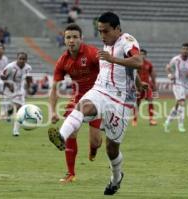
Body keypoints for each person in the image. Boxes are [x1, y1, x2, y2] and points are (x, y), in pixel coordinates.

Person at [48, 12, 142, 195]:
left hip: (120, 101)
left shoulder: (127, 41)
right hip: (100, 90)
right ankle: (61, 136)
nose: (102, 36)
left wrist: (113, 59)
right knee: (82, 106)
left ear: (117, 29)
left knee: (111, 148)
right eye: (99, 32)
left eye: (105, 31)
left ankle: (116, 178)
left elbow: (138, 62)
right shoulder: (105, 44)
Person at [49, 23, 102, 183]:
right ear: (64, 40)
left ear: (81, 39)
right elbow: (54, 89)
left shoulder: (92, 53)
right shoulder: (62, 61)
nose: (71, 40)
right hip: (78, 97)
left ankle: (93, 149)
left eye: (75, 37)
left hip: (98, 98)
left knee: (96, 142)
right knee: (71, 132)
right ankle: (70, 173)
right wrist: (52, 111)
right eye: (68, 37)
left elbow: (108, 70)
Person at [163, 43, 188, 133]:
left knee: (178, 104)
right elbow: (167, 67)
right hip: (177, 83)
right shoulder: (176, 59)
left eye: (186, 49)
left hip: (187, 85)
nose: (184, 51)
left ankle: (167, 122)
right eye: (183, 49)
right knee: (182, 103)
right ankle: (181, 125)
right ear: (181, 50)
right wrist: (170, 75)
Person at [0, 52, 33, 136]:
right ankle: (9, 112)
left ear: (26, 60)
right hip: (9, 89)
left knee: (20, 109)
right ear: (17, 59)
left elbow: (29, 78)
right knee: (11, 106)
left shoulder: (28, 68)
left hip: (19, 90)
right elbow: (2, 76)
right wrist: (8, 84)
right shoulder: (10, 66)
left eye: (24, 59)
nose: (22, 60)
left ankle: (16, 130)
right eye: (20, 58)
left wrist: (29, 88)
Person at [132, 49, 157, 126]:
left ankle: (151, 119)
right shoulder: (136, 64)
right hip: (139, 87)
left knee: (150, 100)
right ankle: (134, 120)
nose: (142, 55)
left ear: (145, 55)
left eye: (143, 54)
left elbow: (152, 74)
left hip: (147, 86)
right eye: (141, 54)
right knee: (137, 103)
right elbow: (134, 75)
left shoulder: (148, 64)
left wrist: (154, 84)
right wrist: (134, 86)